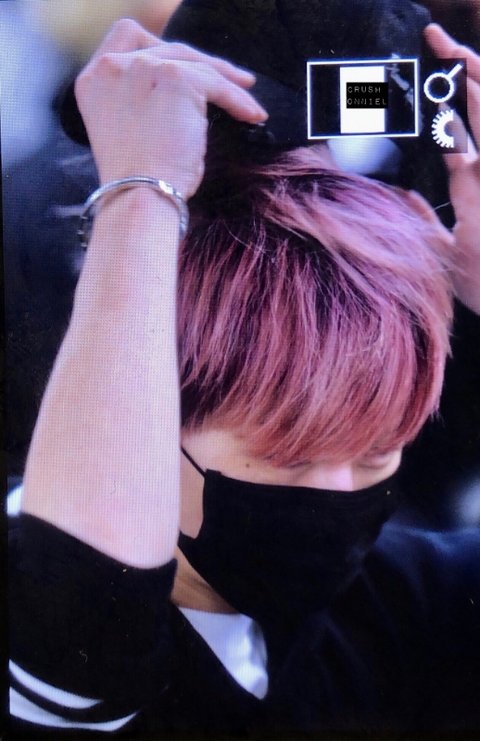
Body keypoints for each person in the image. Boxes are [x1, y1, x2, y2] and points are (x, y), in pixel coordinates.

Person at [7, 13, 480, 737]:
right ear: (155, 405)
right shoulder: (47, 615)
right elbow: (84, 598)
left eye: (375, 450)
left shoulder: (399, 604)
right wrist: (140, 195)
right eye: (288, 453)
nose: (338, 494)